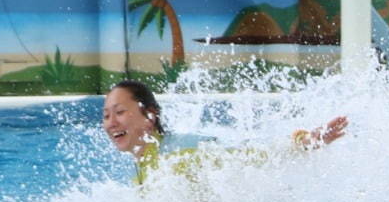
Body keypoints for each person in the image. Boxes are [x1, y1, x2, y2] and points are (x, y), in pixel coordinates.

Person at [101, 79, 347, 185]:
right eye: (106, 115)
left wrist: (305, 141)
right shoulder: (143, 165)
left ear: (150, 116)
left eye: (120, 112)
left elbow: (250, 154)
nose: (111, 122)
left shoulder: (179, 154)